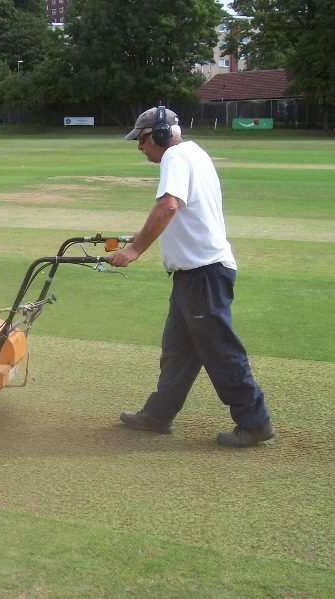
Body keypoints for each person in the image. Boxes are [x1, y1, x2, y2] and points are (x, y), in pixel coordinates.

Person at [109, 106, 275, 448]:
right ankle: (158, 415)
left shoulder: (175, 157)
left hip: (204, 274)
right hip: (194, 275)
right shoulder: (194, 153)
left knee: (221, 351)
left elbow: (168, 205)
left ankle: (255, 422)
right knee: (178, 351)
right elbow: (180, 213)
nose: (140, 148)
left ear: (158, 135)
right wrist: (136, 237)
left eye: (141, 140)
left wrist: (135, 250)